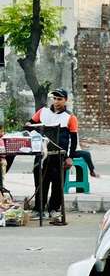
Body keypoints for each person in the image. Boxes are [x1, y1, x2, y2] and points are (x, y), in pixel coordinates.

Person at [25, 88, 78, 226]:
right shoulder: (42, 112)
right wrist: (29, 127)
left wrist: (70, 157)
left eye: (60, 99)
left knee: (58, 183)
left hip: (60, 156)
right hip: (42, 154)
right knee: (40, 181)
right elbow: (29, 124)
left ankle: (54, 208)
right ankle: (39, 209)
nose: (56, 101)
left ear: (66, 100)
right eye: (54, 98)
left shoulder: (70, 117)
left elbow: (74, 140)